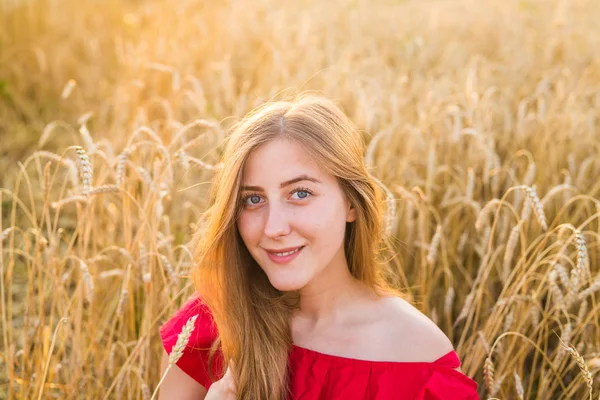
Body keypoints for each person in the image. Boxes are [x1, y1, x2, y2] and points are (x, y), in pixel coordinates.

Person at [158, 94, 479, 399]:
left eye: (300, 193)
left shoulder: (416, 359)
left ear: (351, 203)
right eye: (253, 199)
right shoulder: (212, 326)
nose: (273, 227)